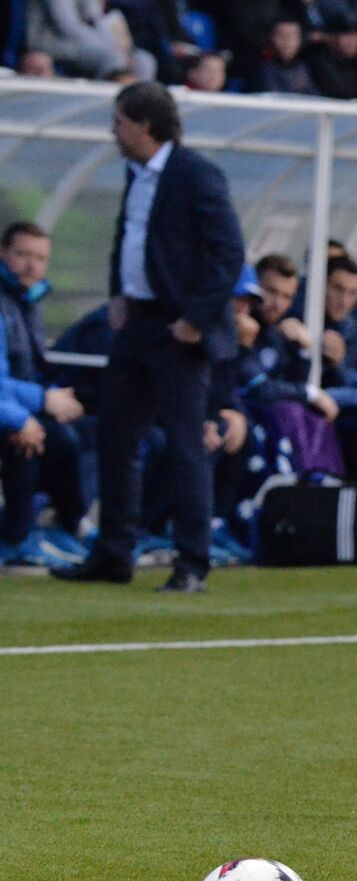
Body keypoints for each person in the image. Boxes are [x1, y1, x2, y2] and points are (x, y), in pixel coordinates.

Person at [54, 82, 244, 592]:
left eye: (119, 122)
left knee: (184, 443)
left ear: (144, 125)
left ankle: (192, 561)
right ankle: (114, 552)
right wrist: (118, 293)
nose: (113, 132)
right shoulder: (136, 174)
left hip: (177, 329)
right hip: (137, 323)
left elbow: (229, 252)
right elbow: (129, 237)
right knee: (116, 435)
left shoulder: (195, 174)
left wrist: (197, 318)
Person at [0, 222, 87, 568]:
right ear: (3, 254)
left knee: (83, 434)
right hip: (9, 408)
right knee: (35, 438)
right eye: (22, 255)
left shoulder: (28, 302)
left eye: (39, 258)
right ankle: (17, 538)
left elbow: (26, 370)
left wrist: (53, 395)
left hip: (12, 405)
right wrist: (29, 410)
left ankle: (64, 527)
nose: (31, 266)